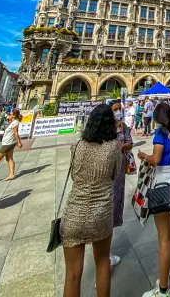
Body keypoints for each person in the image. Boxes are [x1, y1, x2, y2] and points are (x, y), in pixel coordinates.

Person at [60, 104, 123, 297]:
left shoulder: (77, 146)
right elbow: (115, 175)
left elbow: (74, 176)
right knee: (103, 263)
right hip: (101, 213)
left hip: (74, 214)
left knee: (72, 276)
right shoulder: (114, 147)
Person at [137, 102, 170, 297]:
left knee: (164, 238)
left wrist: (143, 155)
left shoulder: (161, 133)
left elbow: (156, 160)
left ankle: (163, 289)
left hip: (163, 181)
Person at [110, 99, 134, 266]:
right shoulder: (105, 128)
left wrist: (123, 146)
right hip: (106, 172)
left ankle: (107, 248)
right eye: (115, 109)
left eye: (120, 108)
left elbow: (130, 143)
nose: (119, 111)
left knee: (115, 205)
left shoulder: (123, 127)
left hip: (119, 172)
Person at [0, 109, 23, 181]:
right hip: (9, 143)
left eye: (10, 114)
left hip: (7, 144)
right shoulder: (14, 122)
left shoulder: (15, 123)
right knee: (9, 158)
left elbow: (16, 133)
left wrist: (19, 142)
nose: (9, 115)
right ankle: (11, 174)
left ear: (13, 115)